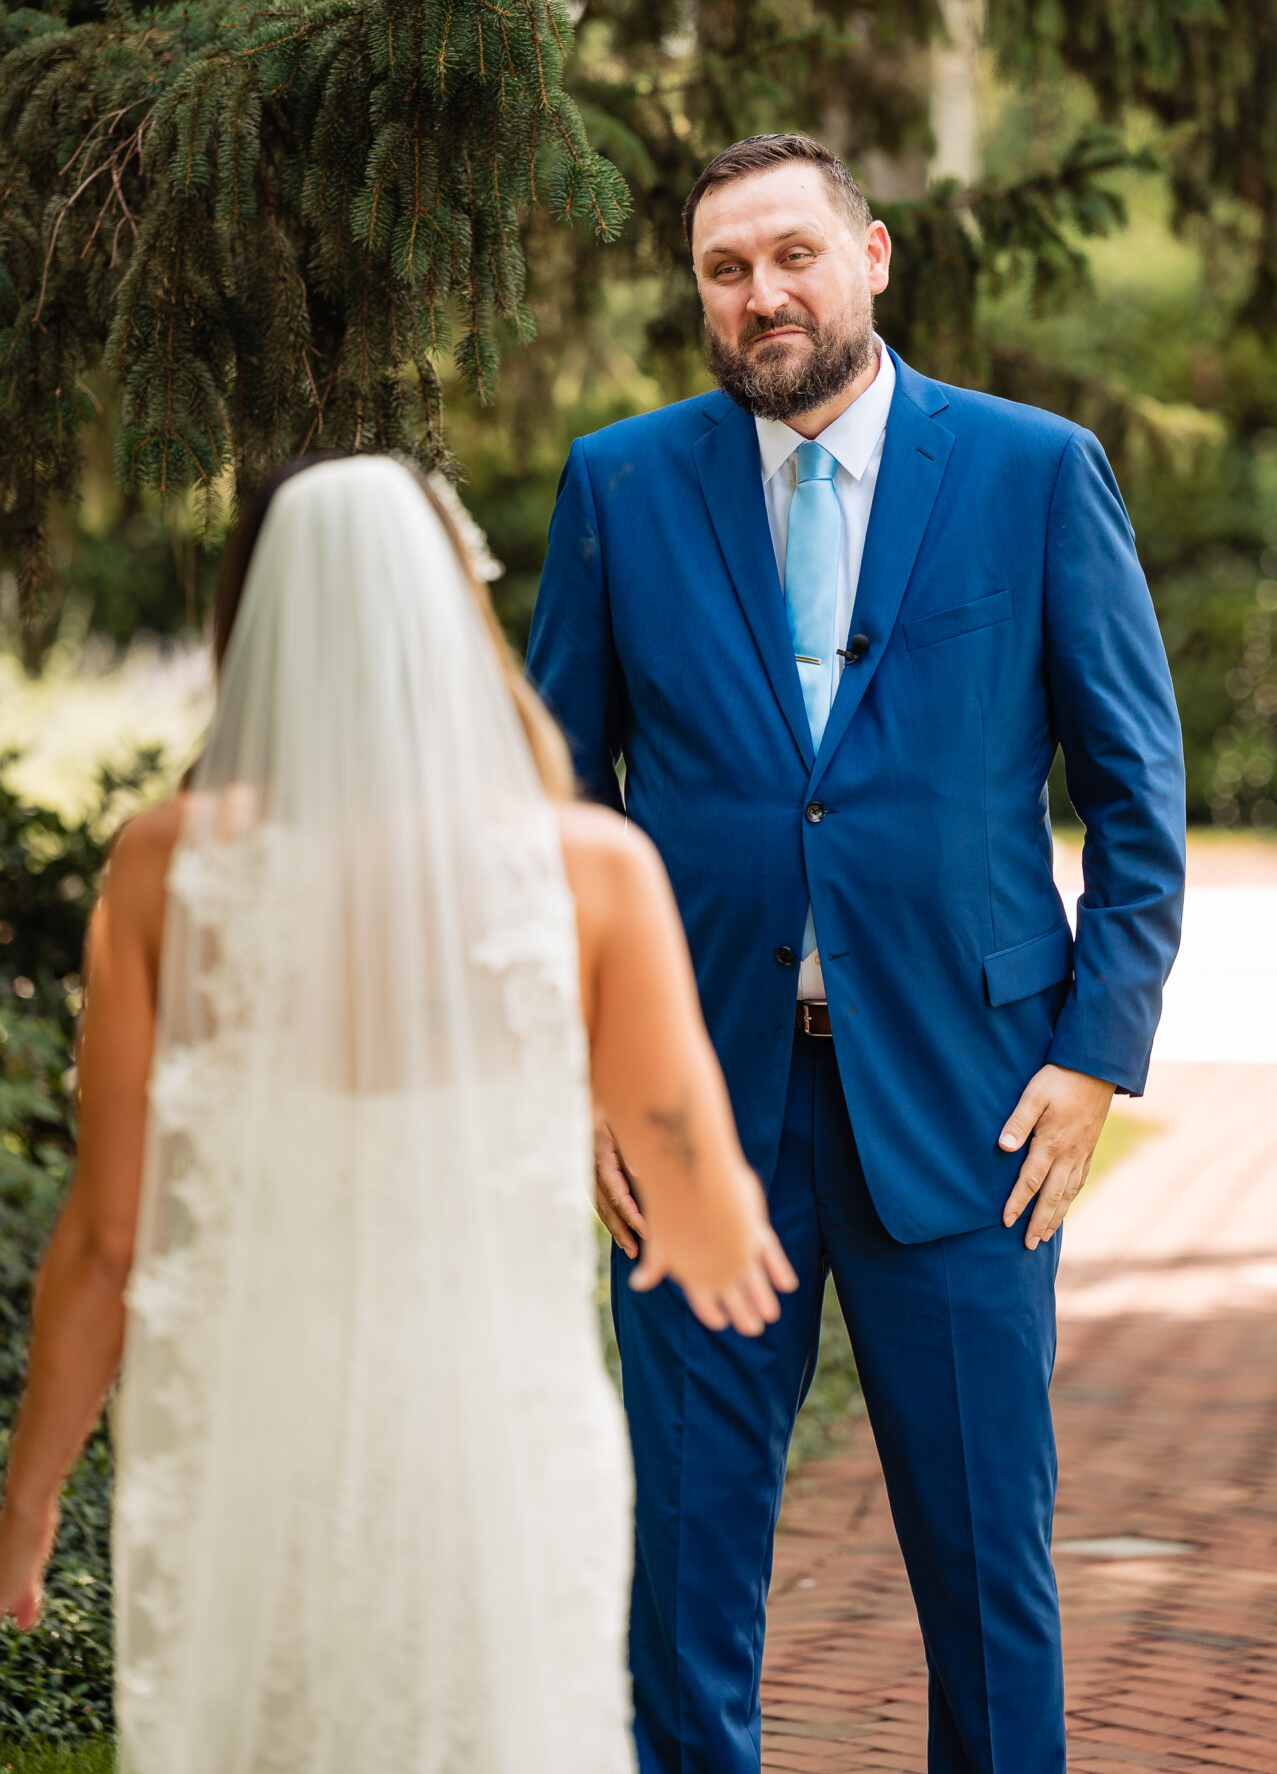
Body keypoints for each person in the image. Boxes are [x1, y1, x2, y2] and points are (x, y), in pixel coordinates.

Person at [526, 133, 1187, 1774]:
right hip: (694, 1117)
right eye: (723, 270)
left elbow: (1135, 797)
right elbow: (547, 814)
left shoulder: (1034, 471)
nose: (760, 295)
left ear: (871, 256)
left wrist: (1094, 1057)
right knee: (681, 1577)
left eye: (790, 256)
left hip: (972, 1114)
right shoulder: (619, 484)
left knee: (984, 1576)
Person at [0, 454, 795, 1774]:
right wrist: (714, 1226)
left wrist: (27, 1502)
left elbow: (106, 1239)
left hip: (249, 1437)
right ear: (455, 611)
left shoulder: (165, 861)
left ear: (255, 622)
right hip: (498, 1439)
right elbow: (698, 1196)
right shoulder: (592, 869)